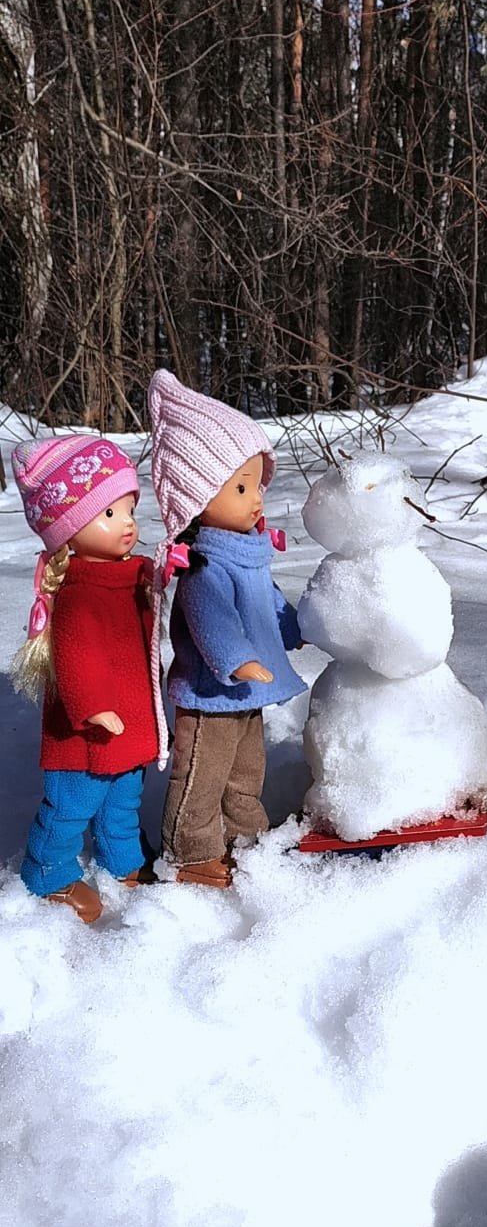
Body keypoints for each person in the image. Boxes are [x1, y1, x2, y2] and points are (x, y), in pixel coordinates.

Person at [148, 370, 307, 888]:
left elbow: (267, 602)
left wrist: (294, 627)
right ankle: (189, 851)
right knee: (201, 774)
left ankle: (247, 838)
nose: (256, 498)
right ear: (197, 499)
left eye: (257, 484)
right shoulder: (206, 566)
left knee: (245, 773)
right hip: (210, 694)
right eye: (240, 487)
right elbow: (211, 618)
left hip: (246, 697)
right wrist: (237, 659)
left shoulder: (248, 553)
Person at [11, 435, 160, 923]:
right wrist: (94, 705)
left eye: (129, 509)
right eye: (109, 513)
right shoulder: (78, 593)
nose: (128, 523)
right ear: (68, 530)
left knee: (124, 799)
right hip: (86, 733)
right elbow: (78, 655)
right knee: (71, 804)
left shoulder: (128, 578)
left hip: (130, 722)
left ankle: (123, 859)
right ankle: (47, 871)